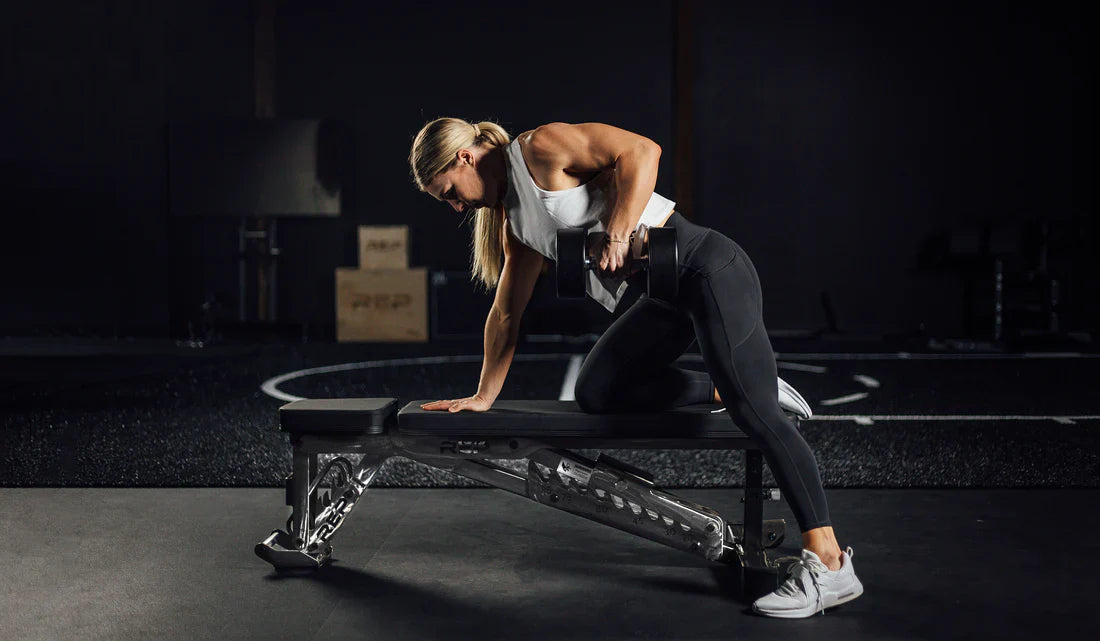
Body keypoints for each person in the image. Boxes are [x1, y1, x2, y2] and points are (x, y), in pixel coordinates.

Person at [408, 118, 863, 618]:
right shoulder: (515, 222)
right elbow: (507, 311)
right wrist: (483, 396)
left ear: (465, 159)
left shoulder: (538, 148)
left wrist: (618, 233)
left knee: (757, 419)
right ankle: (733, 387)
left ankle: (831, 565)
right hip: (666, 298)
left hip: (707, 269)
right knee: (600, 390)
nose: (456, 206)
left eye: (449, 192)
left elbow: (643, 151)